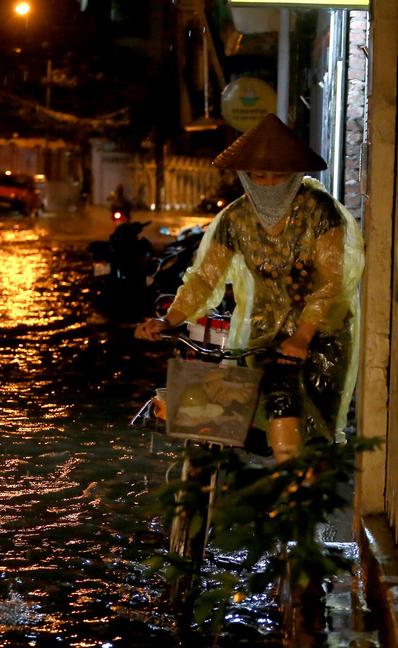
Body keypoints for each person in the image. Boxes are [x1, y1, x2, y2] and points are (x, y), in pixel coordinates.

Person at [135, 113, 364, 462]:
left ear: (295, 175)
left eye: (279, 175)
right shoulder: (235, 219)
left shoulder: (320, 212)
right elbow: (204, 278)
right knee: (257, 417)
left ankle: (297, 494)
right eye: (260, 175)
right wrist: (170, 321)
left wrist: (302, 337)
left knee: (311, 434)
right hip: (263, 335)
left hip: (320, 334)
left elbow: (329, 281)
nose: (270, 184)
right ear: (246, 176)